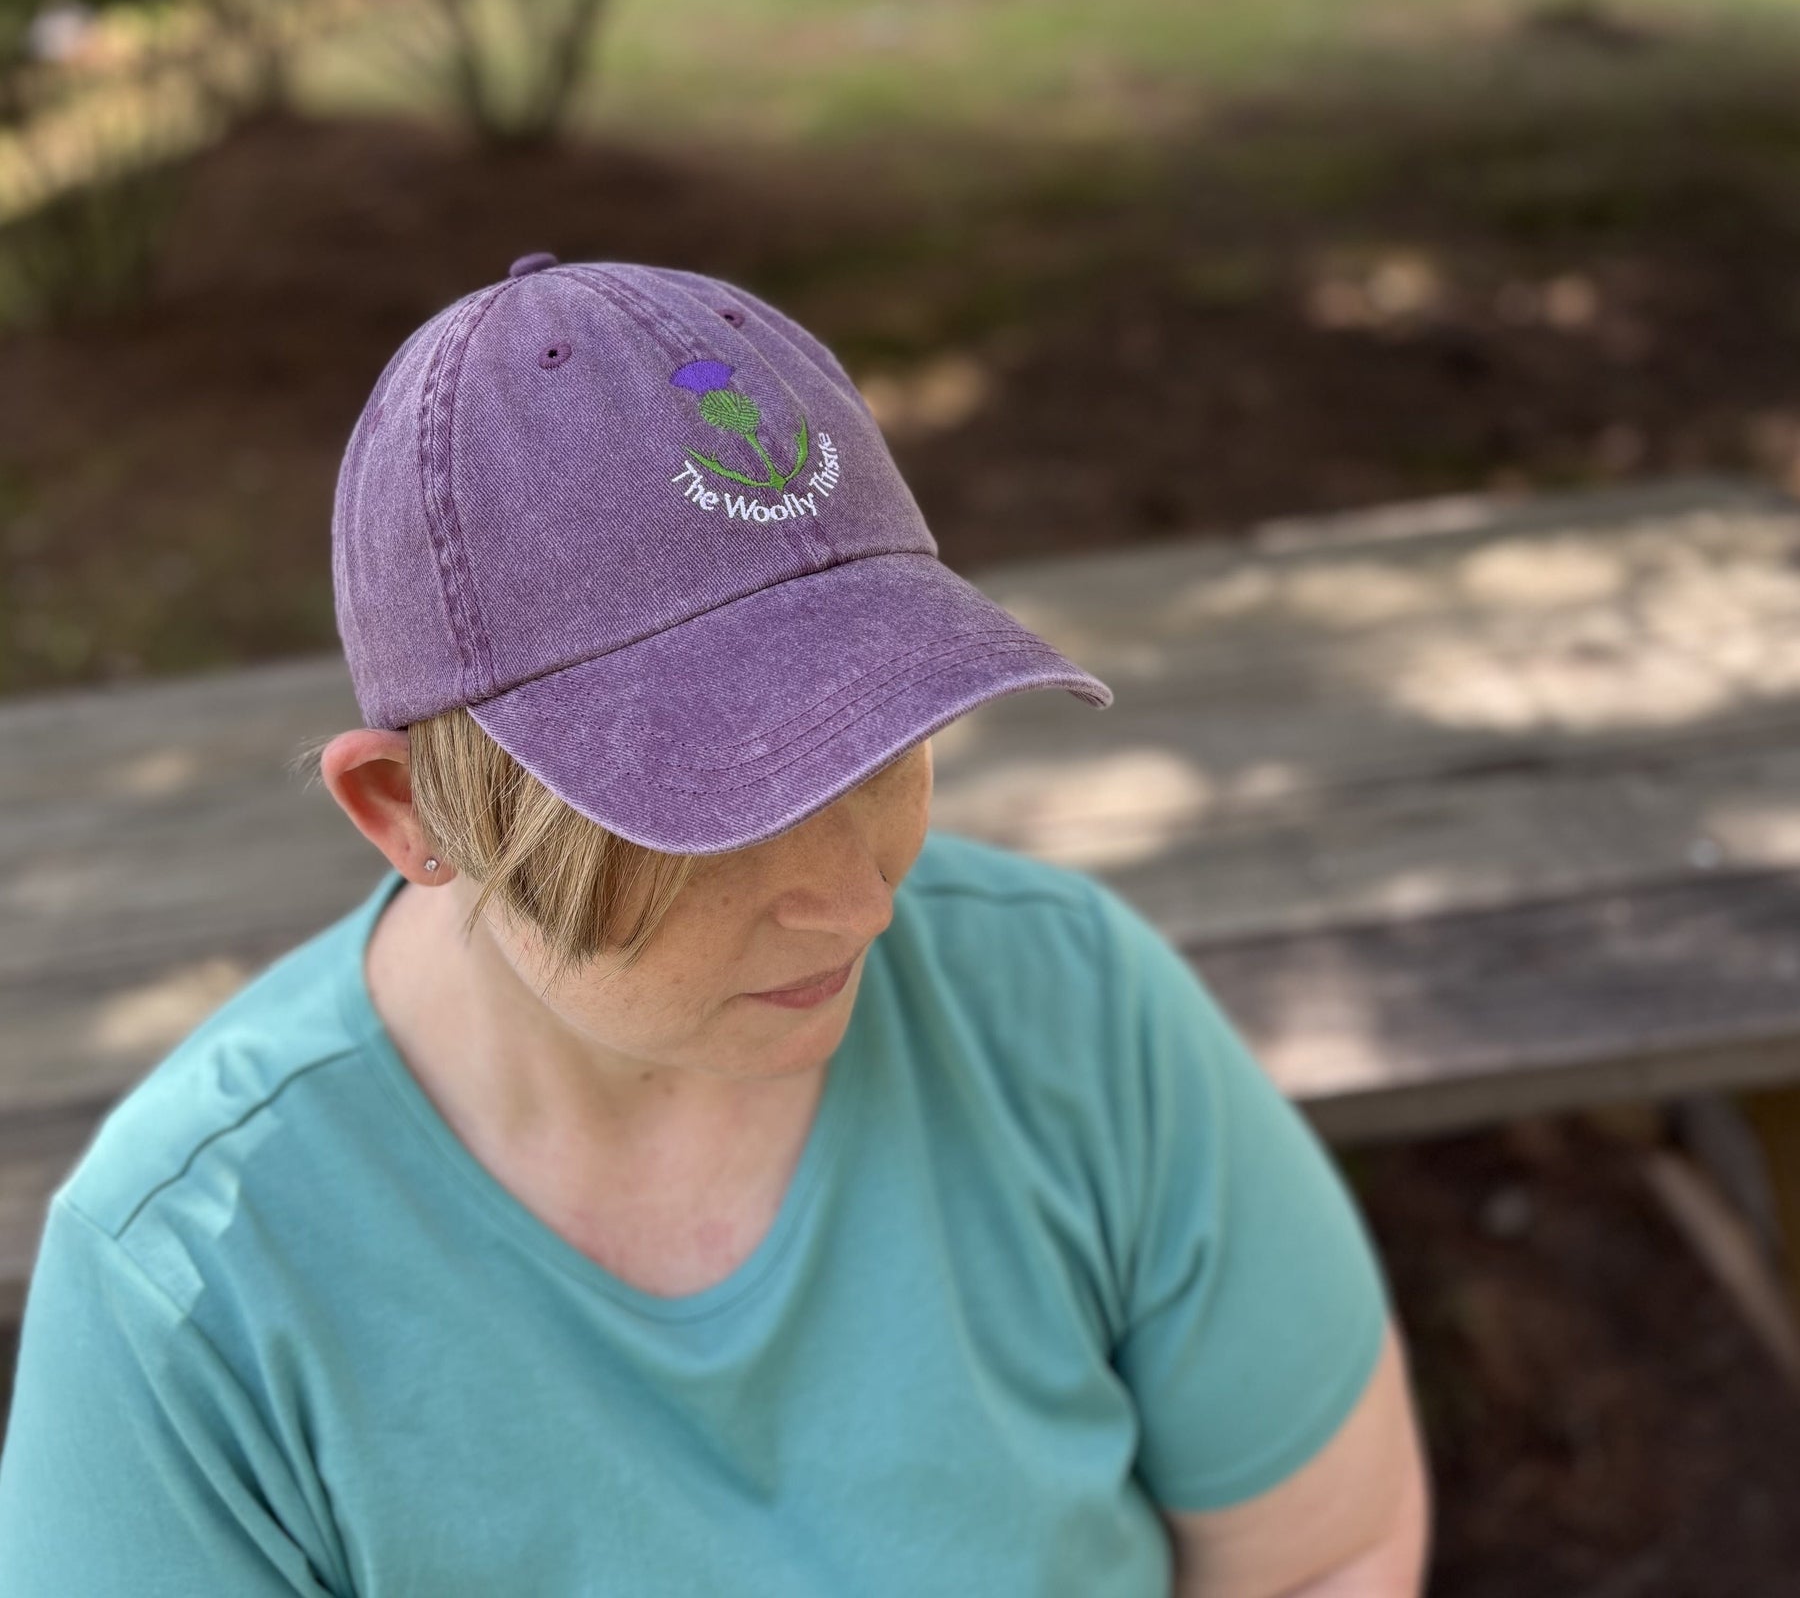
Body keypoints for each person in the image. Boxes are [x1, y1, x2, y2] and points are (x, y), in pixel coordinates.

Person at [0, 256, 1431, 1595]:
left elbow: (1328, 1555)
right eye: (713, 805)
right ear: (407, 810)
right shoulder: (188, 1293)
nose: (862, 902)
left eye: (881, 746)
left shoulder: (1070, 1007)